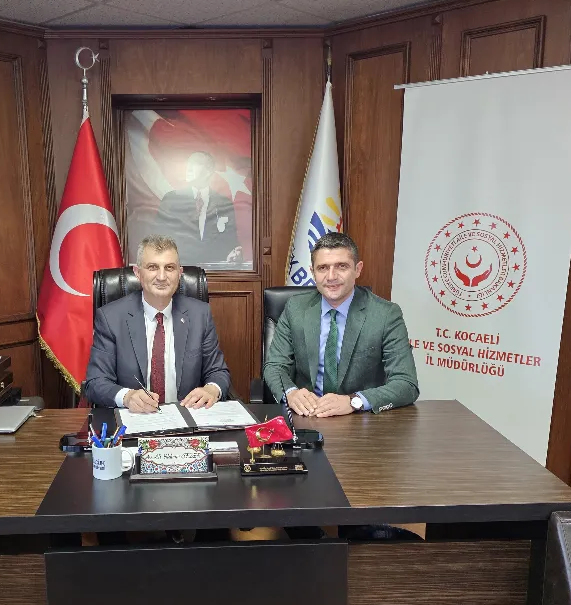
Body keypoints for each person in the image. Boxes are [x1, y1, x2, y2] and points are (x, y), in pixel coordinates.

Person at [262, 231, 420, 541]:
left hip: (360, 428)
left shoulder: (386, 314)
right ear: (313, 271)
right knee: (293, 508)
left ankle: (359, 534)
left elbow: (407, 384)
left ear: (357, 269)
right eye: (323, 268)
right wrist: (291, 392)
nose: (331, 276)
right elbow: (275, 366)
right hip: (308, 421)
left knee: (362, 522)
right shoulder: (296, 308)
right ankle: (311, 540)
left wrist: (354, 401)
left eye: (341, 266)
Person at [83, 234, 231, 412]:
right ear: (138, 273)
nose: (161, 276)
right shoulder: (111, 318)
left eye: (169, 268)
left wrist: (212, 389)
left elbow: (218, 371)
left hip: (187, 417)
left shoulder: (200, 314)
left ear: (179, 273)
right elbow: (95, 382)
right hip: (135, 419)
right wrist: (127, 397)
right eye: (152, 267)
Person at [150, 151, 242, 267]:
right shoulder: (171, 199)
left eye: (196, 163)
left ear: (208, 171)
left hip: (215, 270)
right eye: (188, 163)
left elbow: (231, 241)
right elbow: (157, 238)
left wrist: (235, 253)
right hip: (179, 269)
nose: (189, 168)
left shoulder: (224, 203)